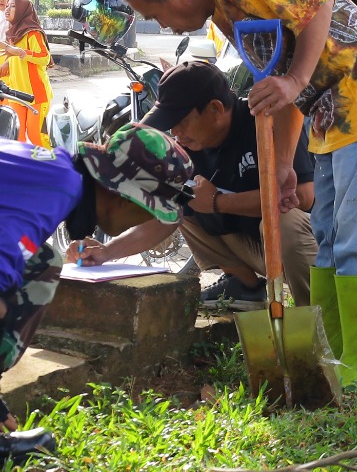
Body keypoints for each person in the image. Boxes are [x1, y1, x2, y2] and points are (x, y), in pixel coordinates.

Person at [118, 0, 357, 389]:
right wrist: (280, 164)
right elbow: (281, 84)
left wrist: (293, 81)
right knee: (330, 238)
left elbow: (318, 10)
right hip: (330, 113)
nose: (165, 27)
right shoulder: (222, 9)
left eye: (157, 15)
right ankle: (335, 355)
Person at [1, 125, 194, 462]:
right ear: (123, 194)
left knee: (41, 262)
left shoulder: (54, 174)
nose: (148, 219)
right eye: (149, 209)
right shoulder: (55, 189)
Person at [77, 61, 318, 307]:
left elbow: (304, 196)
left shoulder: (266, 121)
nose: (176, 132)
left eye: (181, 121)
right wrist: (106, 253)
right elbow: (162, 221)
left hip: (311, 249)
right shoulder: (188, 149)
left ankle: (315, 309)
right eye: (170, 123)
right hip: (259, 251)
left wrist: (218, 202)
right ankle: (244, 285)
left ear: (215, 109)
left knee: (285, 222)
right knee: (180, 205)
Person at [1, 0, 52, 145]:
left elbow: (45, 58)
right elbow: (13, 61)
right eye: (7, 5)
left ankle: (49, 166)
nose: (7, 9)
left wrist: (22, 53)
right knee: (16, 138)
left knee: (37, 136)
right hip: (16, 94)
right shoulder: (11, 34)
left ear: (23, 10)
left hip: (37, 96)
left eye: (13, 6)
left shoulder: (33, 33)